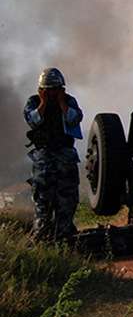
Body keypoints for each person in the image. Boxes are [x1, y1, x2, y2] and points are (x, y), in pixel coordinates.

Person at [23, 67, 84, 242]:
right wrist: (43, 102)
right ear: (41, 90)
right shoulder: (33, 102)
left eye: (55, 89)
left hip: (65, 158)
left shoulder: (69, 101)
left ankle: (65, 237)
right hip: (44, 159)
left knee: (67, 199)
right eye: (48, 89)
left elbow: (74, 119)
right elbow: (33, 121)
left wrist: (62, 102)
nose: (52, 92)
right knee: (43, 200)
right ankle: (42, 237)